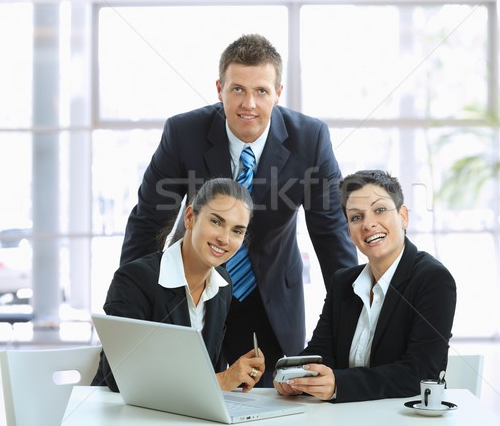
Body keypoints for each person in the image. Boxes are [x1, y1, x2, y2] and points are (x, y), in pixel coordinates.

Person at [119, 34, 358, 386]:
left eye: (261, 91)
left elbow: (332, 235)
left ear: (278, 92)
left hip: (271, 292)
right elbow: (149, 221)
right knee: (181, 391)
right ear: (219, 89)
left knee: (279, 398)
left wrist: (350, 319)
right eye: (237, 89)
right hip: (194, 288)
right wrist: (130, 303)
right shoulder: (184, 133)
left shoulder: (310, 139)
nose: (249, 104)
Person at [274, 170, 457, 402]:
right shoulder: (343, 282)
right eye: (356, 217)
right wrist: (292, 377)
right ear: (349, 230)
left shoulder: (433, 279)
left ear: (403, 216)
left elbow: (420, 373)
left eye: (380, 210)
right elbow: (320, 352)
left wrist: (338, 384)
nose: (368, 224)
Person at [92, 178, 265, 392]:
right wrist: (219, 381)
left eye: (237, 231)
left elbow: (208, 369)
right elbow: (120, 378)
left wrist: (238, 375)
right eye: (216, 222)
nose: (224, 239)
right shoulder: (134, 279)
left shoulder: (222, 285)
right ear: (190, 217)